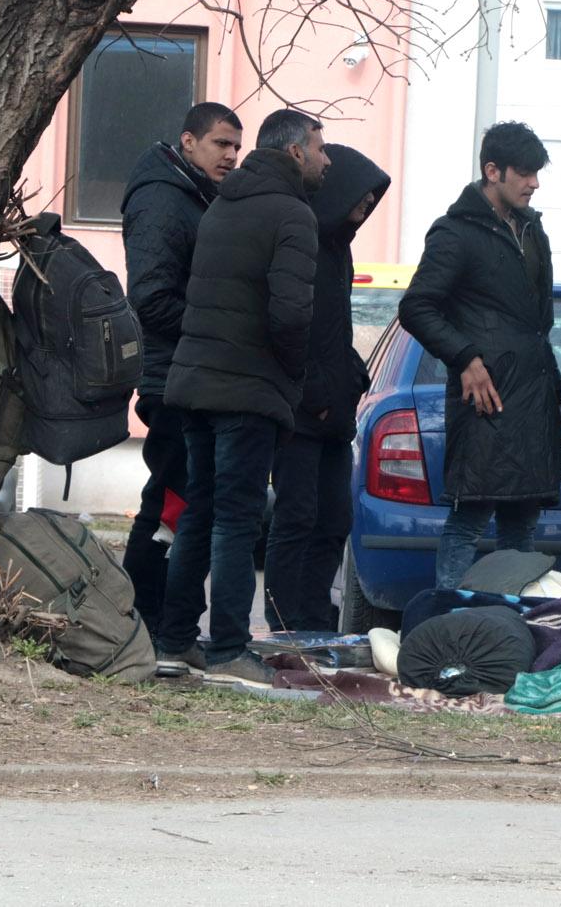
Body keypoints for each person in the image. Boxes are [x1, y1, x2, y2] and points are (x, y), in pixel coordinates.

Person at [156, 109, 328, 691]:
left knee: (200, 515)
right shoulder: (292, 214)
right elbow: (292, 315)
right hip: (246, 391)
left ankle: (174, 641)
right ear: (297, 153)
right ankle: (229, 647)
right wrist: (292, 375)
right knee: (236, 519)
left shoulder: (222, 207)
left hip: (197, 385)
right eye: (321, 149)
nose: (327, 161)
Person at [400, 121, 561, 589]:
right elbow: (416, 306)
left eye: (537, 173)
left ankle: (512, 630)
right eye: (526, 172)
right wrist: (466, 359)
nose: (534, 183)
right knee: (469, 520)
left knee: (521, 528)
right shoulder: (455, 232)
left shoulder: (533, 231)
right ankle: (448, 620)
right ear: (492, 171)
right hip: (486, 400)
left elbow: (539, 320)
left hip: (532, 397)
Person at [119, 102, 241, 624]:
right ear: (188, 141)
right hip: (171, 381)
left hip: (189, 377)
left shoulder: (195, 196)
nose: (232, 155)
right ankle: (145, 618)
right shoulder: (163, 201)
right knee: (169, 508)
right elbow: (151, 299)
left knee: (181, 505)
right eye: (221, 143)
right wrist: (218, 325)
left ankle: (166, 618)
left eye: (237, 146)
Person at [265, 143, 390, 632]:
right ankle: (283, 621)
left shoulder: (339, 247)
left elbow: (335, 329)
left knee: (334, 520)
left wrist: (352, 374)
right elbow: (289, 327)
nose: (366, 206)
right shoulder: (305, 240)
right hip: (302, 413)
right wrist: (315, 390)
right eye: (362, 197)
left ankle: (314, 617)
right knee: (295, 518)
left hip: (334, 414)